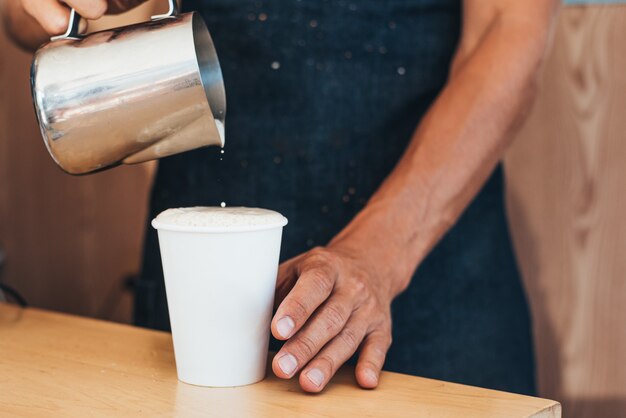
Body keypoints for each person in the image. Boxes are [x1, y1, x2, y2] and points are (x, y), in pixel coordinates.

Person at [3, 0, 559, 394]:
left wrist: (378, 257)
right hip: (202, 266)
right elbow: (21, 21)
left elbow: (508, 31)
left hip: (427, 267)